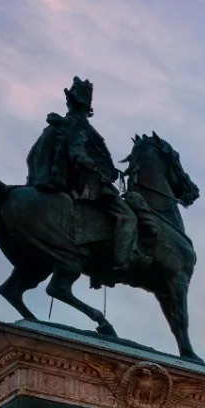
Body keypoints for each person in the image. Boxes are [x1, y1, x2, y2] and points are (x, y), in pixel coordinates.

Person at [26, 78, 138, 269]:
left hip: (61, 182)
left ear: (70, 101)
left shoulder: (56, 125)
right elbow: (77, 151)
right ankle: (122, 260)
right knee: (128, 217)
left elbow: (31, 157)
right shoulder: (80, 126)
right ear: (87, 105)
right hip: (89, 186)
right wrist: (92, 165)